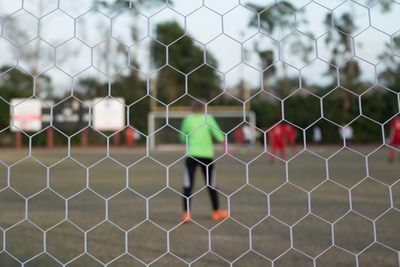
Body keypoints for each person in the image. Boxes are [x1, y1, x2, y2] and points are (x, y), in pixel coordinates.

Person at [179, 100, 228, 223]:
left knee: (188, 184)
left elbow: (181, 137)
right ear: (204, 109)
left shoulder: (188, 119)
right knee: (211, 184)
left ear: (192, 108)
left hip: (191, 155)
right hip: (207, 156)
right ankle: (216, 212)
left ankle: (186, 214)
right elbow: (219, 135)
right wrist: (226, 148)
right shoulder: (208, 118)